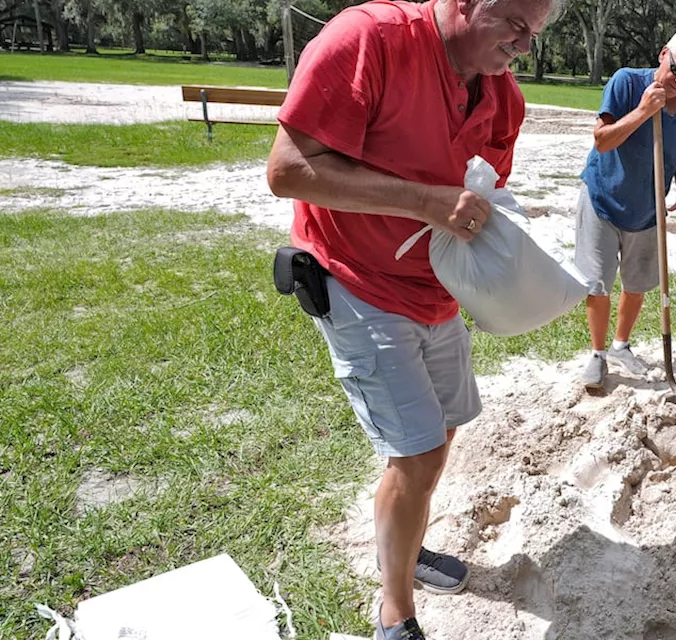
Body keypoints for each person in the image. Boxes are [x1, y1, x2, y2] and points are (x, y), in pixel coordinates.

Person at [264, 0, 558, 637]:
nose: (523, 46)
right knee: (418, 453)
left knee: (443, 431)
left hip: (436, 291)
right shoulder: (370, 39)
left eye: (534, 33)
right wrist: (425, 202)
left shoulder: (503, 99)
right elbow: (288, 170)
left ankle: (402, 538)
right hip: (355, 278)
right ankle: (395, 611)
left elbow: (481, 194)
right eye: (514, 25)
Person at [575, 29, 676, 389]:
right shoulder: (625, 82)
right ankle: (598, 355)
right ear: (663, 53)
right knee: (598, 283)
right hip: (602, 198)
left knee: (636, 284)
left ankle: (621, 345)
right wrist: (642, 111)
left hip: (649, 208)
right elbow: (602, 141)